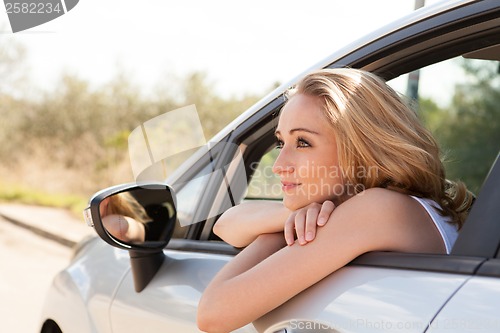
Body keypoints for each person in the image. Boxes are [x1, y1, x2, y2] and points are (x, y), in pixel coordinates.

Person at [197, 68, 473, 333]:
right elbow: (226, 225)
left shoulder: (379, 208)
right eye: (281, 143)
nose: (279, 165)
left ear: (361, 148)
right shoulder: (408, 207)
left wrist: (283, 233)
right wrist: (293, 215)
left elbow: (213, 314)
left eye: (303, 142)